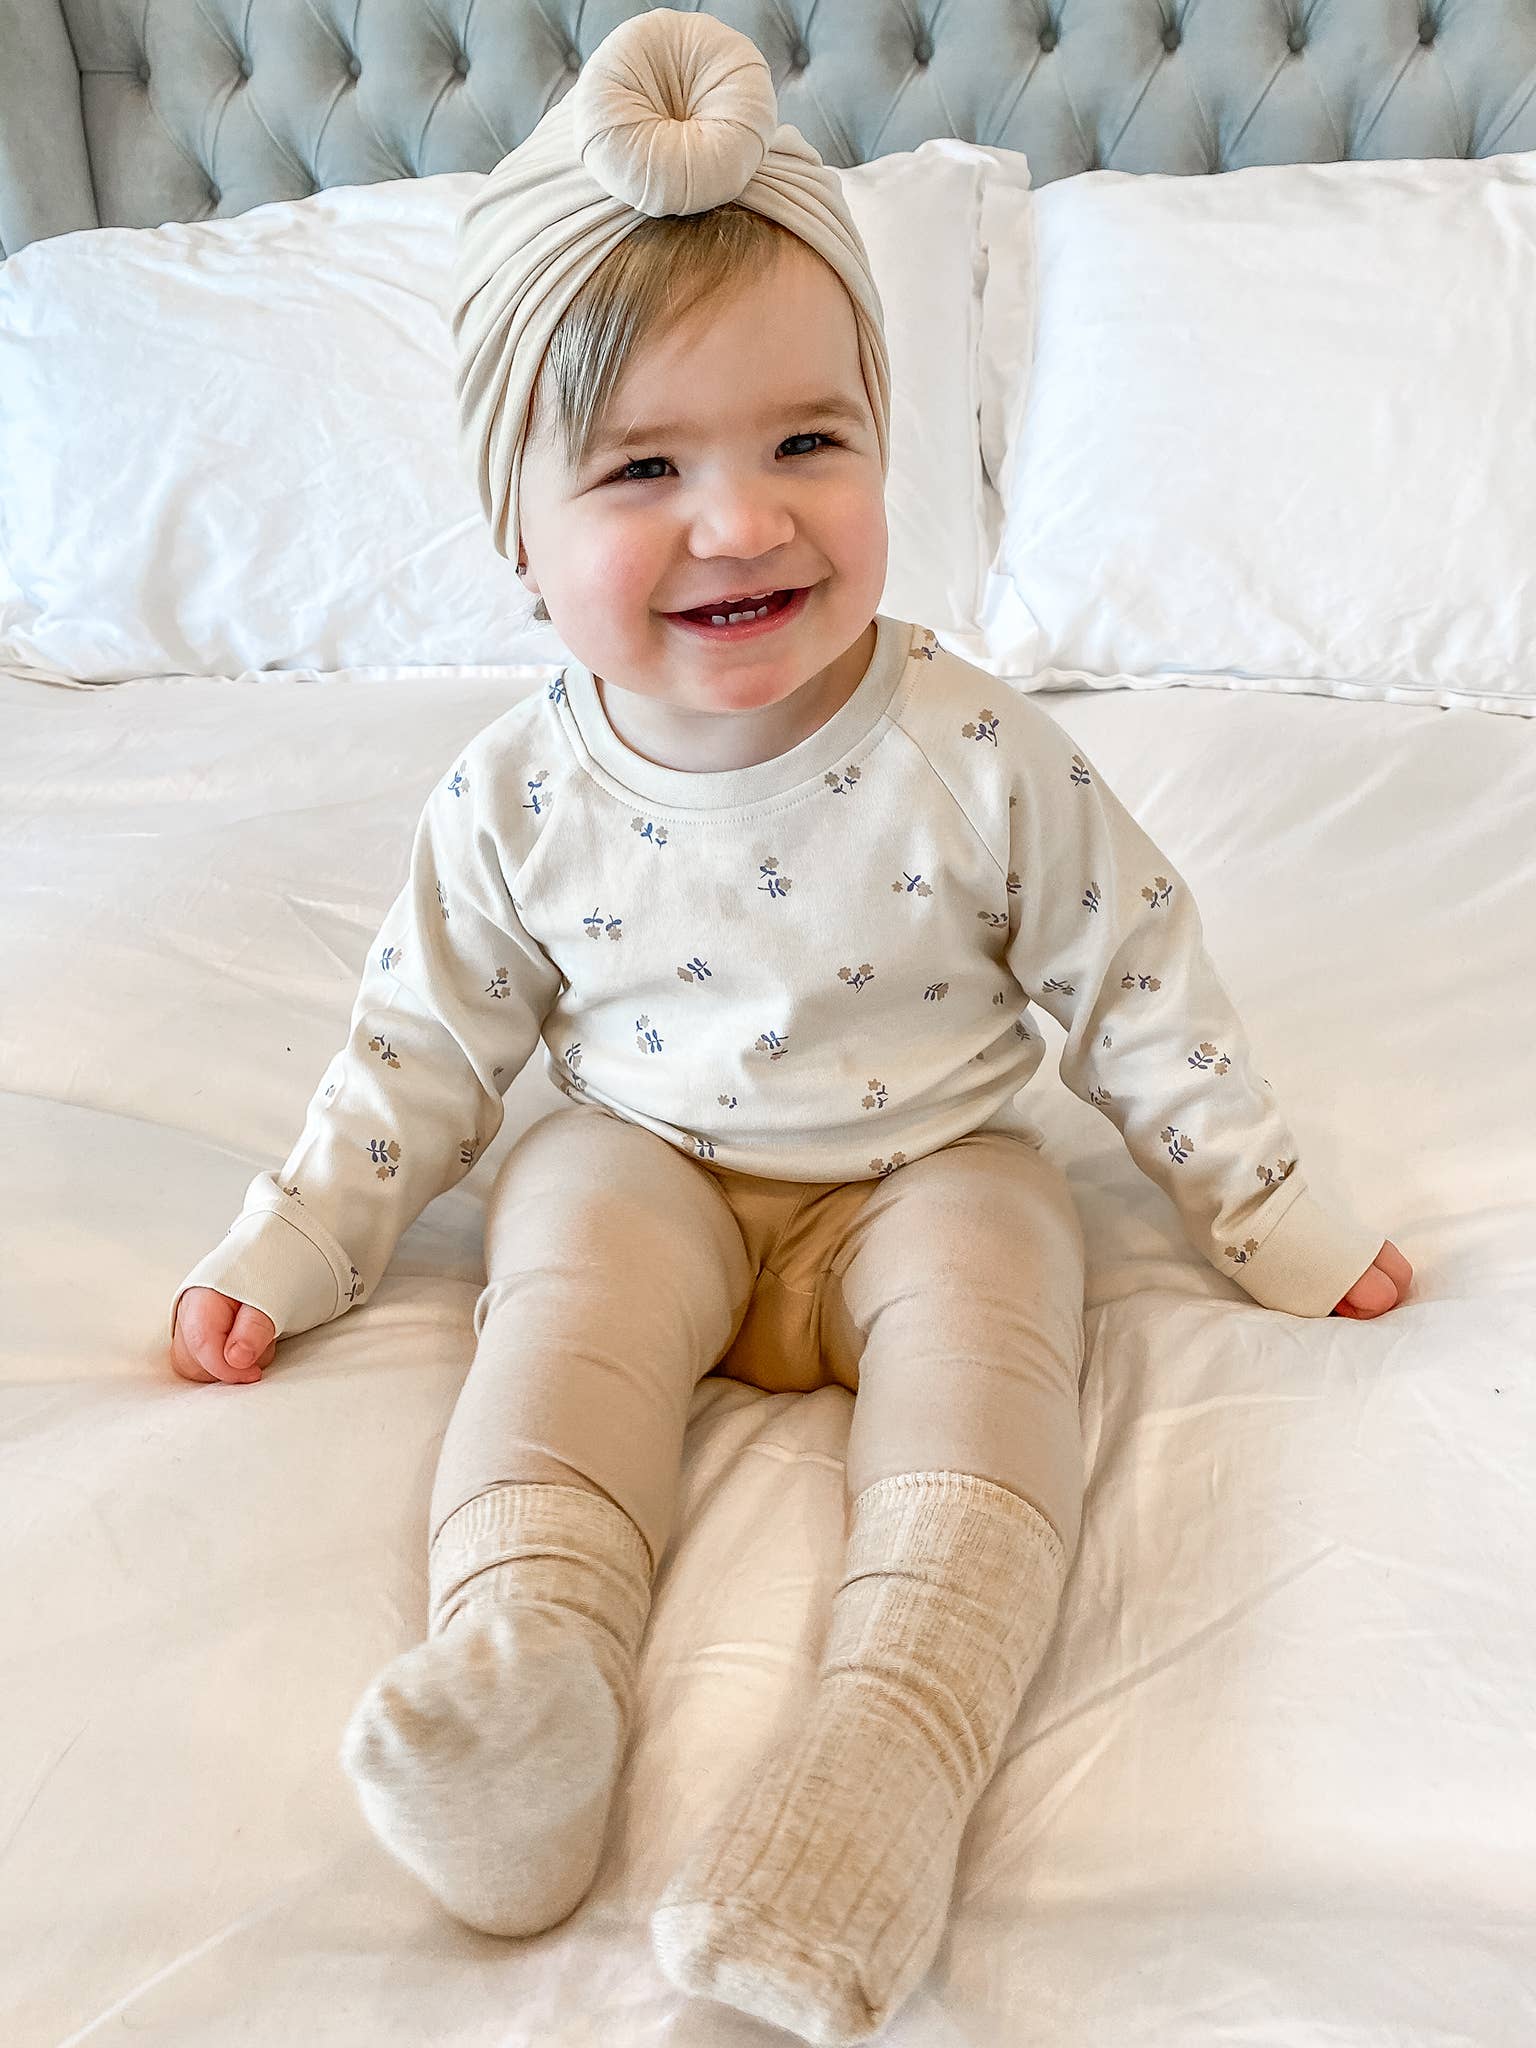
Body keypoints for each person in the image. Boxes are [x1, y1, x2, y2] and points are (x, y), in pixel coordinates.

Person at [165, 11, 1413, 2042]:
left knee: (1006, 1274)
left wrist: (1269, 1206)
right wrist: (299, 1237)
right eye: (643, 468)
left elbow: (1136, 979)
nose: (740, 523)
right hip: (651, 1156)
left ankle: (886, 1750)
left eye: (807, 445)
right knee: (561, 1267)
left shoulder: (978, 754)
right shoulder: (513, 795)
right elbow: (422, 1048)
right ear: (517, 529)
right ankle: (533, 1671)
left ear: (883, 447)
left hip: (923, 1165)